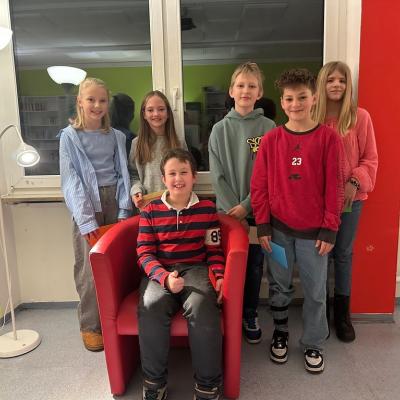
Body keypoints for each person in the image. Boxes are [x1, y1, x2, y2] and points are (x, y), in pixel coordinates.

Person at [250, 68, 344, 373]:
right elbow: (259, 185)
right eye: (289, 98)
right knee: (279, 286)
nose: (295, 104)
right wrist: (262, 224)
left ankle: (314, 342)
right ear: (282, 101)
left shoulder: (328, 139)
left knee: (315, 291)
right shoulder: (271, 140)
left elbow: (335, 186)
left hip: (315, 234)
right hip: (277, 231)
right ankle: (280, 333)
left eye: (302, 97)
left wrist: (330, 228)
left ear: (314, 98)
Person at [137, 148, 225, 400]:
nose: (178, 178)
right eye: (172, 173)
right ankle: (154, 382)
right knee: (151, 305)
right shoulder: (150, 211)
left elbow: (214, 250)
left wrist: (219, 276)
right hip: (160, 271)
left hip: (196, 269)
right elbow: (144, 253)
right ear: (163, 179)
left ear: (194, 176)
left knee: (203, 306)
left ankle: (207, 384)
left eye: (184, 172)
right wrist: (164, 278)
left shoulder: (207, 209)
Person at [59, 77, 132, 351]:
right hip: (86, 205)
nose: (97, 105)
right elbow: (70, 180)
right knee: (88, 269)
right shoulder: (69, 137)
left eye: (102, 100)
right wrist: (86, 219)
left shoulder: (116, 136)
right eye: (91, 99)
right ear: (80, 101)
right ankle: (91, 325)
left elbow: (123, 173)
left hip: (114, 202)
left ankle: (115, 320)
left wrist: (123, 209)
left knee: (116, 264)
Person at [208, 62, 276, 344]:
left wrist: (247, 206)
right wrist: (232, 210)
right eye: (240, 85)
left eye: (251, 86)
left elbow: (270, 173)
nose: (245, 90)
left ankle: (249, 313)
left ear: (259, 92)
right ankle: (229, 313)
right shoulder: (218, 130)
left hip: (257, 213)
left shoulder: (269, 128)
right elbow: (217, 175)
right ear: (231, 91)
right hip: (227, 214)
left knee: (255, 267)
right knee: (229, 266)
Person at [313, 61, 378, 342]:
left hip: (351, 200)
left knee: (343, 254)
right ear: (322, 84)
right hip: (318, 202)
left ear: (348, 84)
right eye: (330, 80)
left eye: (341, 80)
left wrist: (354, 181)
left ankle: (342, 314)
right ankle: (320, 312)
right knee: (320, 254)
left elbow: (370, 158)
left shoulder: (360, 117)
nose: (336, 85)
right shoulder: (312, 119)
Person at [128, 90, 186, 209]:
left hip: (176, 205)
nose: (156, 114)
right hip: (148, 206)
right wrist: (136, 191)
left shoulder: (179, 142)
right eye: (150, 110)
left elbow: (186, 173)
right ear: (144, 114)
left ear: (168, 113)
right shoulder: (136, 143)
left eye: (161, 109)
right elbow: (133, 175)